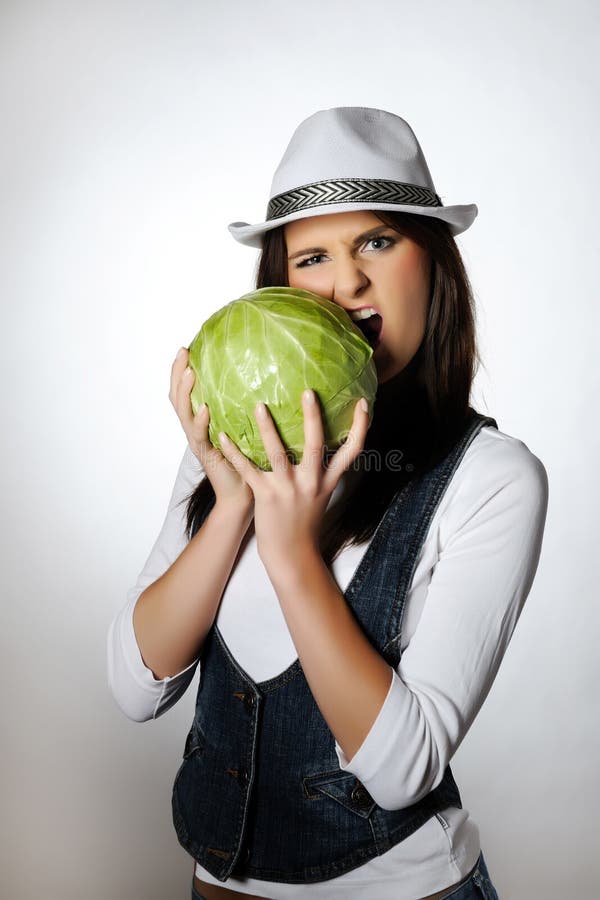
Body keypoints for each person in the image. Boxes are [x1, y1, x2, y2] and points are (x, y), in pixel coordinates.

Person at [107, 107, 549, 900]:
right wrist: (236, 497)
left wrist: (290, 553)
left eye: (377, 241)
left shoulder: (492, 478)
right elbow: (138, 686)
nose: (347, 281)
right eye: (313, 256)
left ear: (434, 263)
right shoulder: (224, 449)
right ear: (283, 287)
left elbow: (404, 770)